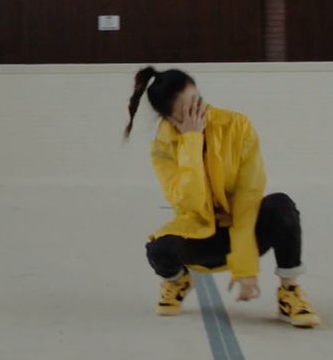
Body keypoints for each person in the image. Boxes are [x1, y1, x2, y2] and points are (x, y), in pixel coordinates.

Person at [125, 67, 320, 327]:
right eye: (187, 111)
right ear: (170, 119)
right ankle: (178, 281)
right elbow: (189, 202)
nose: (198, 112)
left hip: (245, 229)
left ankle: (289, 290)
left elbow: (248, 198)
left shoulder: (237, 125)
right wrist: (191, 140)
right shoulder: (162, 146)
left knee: (281, 207)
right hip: (201, 235)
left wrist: (245, 266)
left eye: (198, 100)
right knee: (158, 249)